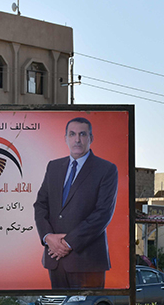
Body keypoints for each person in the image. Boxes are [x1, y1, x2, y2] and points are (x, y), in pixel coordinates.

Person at [34, 117, 118, 289]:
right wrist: (48, 237)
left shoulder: (106, 169)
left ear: (91, 138)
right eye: (72, 134)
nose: (77, 139)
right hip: (55, 259)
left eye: (82, 134)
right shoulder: (53, 167)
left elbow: (102, 214)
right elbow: (41, 205)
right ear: (65, 138)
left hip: (87, 262)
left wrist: (67, 243)